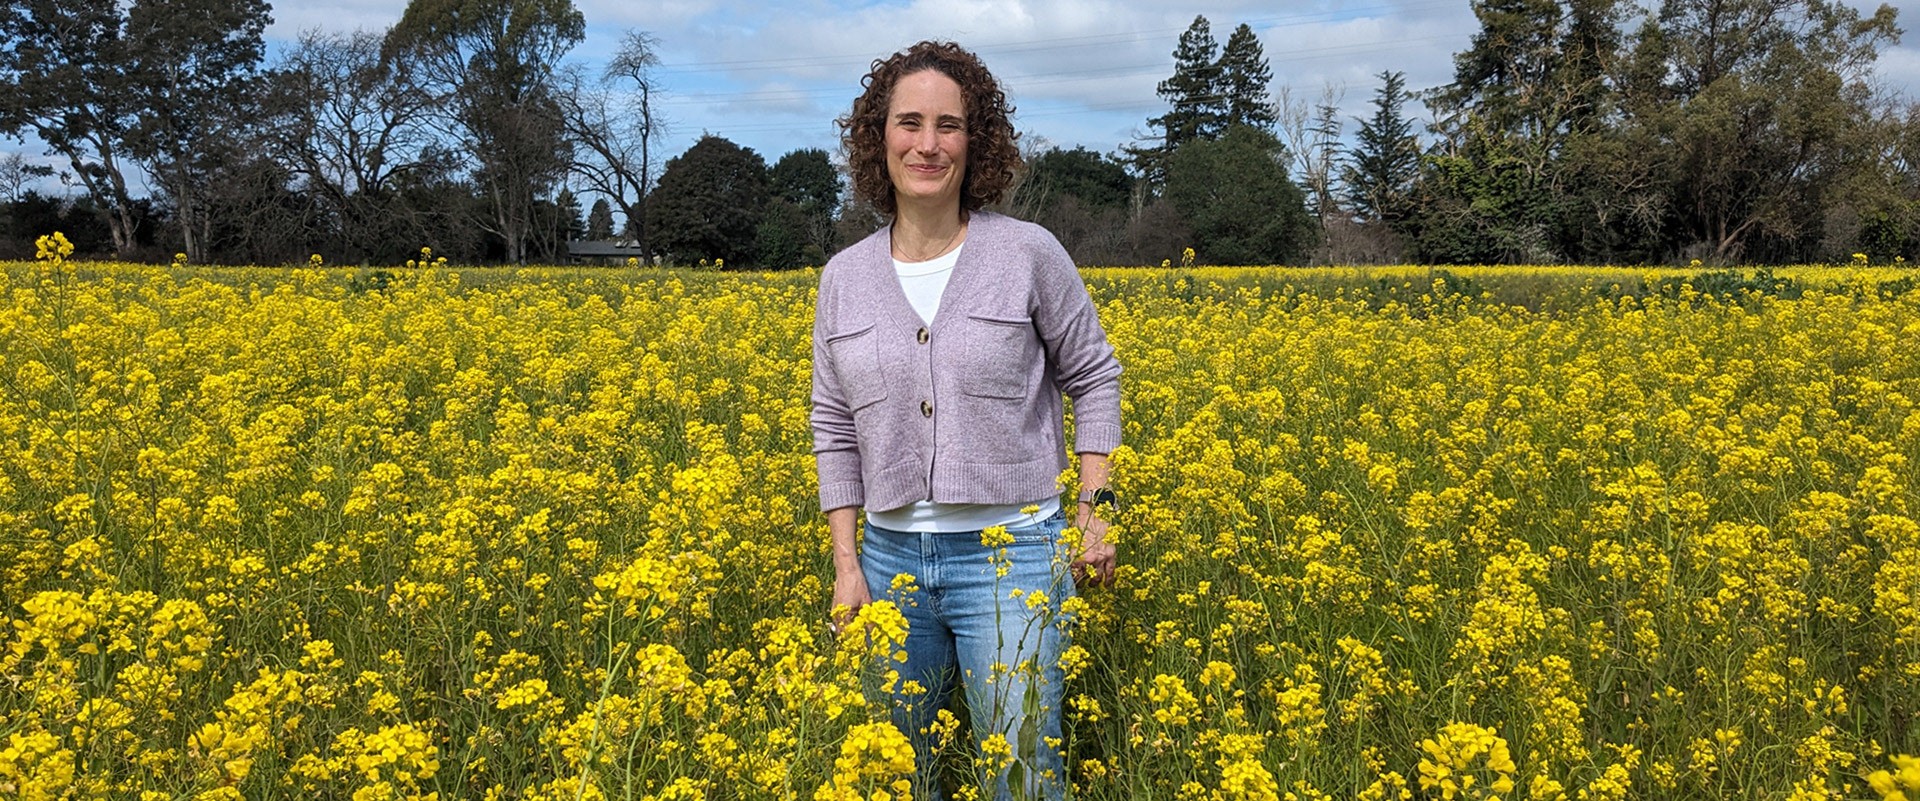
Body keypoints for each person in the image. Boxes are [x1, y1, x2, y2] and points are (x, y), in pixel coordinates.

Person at [810, 39, 1123, 801]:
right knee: (897, 775)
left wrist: (1095, 513)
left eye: (948, 125)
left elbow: (1095, 376)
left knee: (1019, 776)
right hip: (888, 563)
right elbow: (834, 423)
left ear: (974, 141)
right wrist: (847, 563)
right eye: (908, 122)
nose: (927, 143)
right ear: (876, 137)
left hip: (1015, 560)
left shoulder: (1027, 253)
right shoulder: (843, 278)